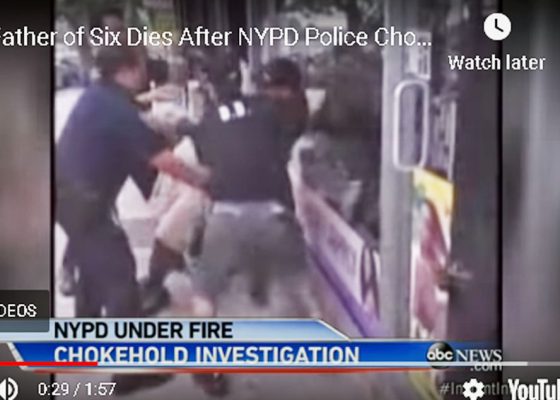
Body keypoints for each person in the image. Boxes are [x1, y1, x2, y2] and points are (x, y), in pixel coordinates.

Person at [56, 44, 210, 395]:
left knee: (92, 269)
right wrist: (207, 181)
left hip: (69, 196)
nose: (145, 71)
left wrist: (151, 100)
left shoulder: (101, 95)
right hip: (85, 202)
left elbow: (132, 112)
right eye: (140, 65)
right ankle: (130, 372)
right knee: (120, 280)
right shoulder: (117, 110)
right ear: (126, 69)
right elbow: (164, 161)